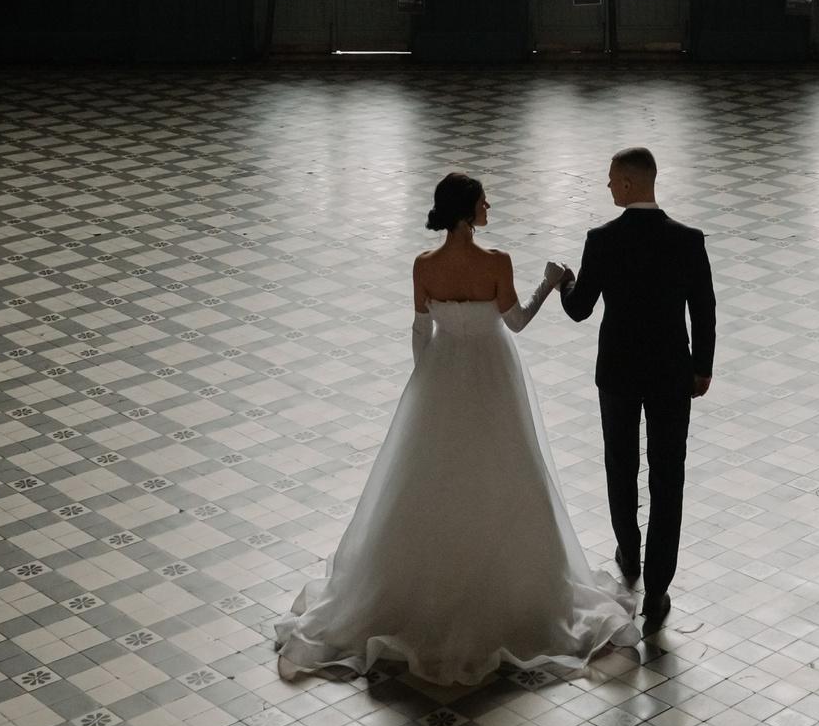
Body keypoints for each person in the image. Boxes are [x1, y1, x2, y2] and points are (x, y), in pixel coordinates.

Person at [272, 173, 637, 683]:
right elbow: (515, 322)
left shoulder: (424, 265)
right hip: (492, 374)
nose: (489, 205)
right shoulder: (496, 262)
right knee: (506, 470)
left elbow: (421, 332)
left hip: (442, 372)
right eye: (484, 200)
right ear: (468, 211)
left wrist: (427, 384)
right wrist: (549, 282)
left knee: (430, 477)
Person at [556, 146, 715, 636]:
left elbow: (580, 310)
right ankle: (660, 586)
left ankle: (629, 549)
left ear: (627, 185)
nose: (607, 187)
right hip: (672, 373)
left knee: (620, 463)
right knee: (669, 475)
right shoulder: (687, 240)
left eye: (610, 180)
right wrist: (702, 369)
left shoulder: (601, 240)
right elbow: (704, 309)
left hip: (619, 374)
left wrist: (565, 284)